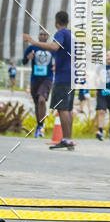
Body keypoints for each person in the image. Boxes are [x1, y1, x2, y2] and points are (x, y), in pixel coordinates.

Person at [24, 10, 74, 150]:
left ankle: (66, 139)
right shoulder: (71, 34)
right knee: (68, 109)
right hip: (71, 76)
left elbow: (54, 47)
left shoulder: (61, 33)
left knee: (62, 108)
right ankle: (69, 139)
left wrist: (34, 42)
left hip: (62, 77)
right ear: (67, 21)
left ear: (56, 22)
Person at [23, 30, 54, 137]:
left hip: (47, 78)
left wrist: (55, 66)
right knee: (37, 103)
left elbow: (59, 60)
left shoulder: (51, 48)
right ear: (38, 36)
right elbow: (23, 61)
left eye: (45, 34)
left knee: (41, 100)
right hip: (34, 79)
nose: (43, 36)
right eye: (41, 34)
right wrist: (28, 58)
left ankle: (41, 126)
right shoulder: (32, 48)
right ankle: (39, 125)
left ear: (47, 37)